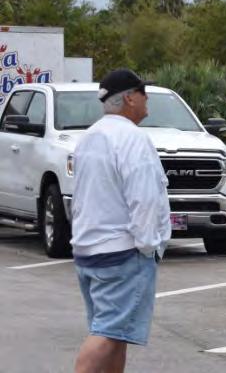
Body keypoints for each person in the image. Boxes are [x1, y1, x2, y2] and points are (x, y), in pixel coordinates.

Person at [70, 69, 171, 373]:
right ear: (129, 98)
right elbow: (144, 198)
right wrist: (148, 246)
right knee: (107, 334)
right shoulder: (132, 138)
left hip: (89, 248)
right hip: (123, 252)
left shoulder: (89, 137)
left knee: (116, 334)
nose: (147, 98)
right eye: (143, 92)